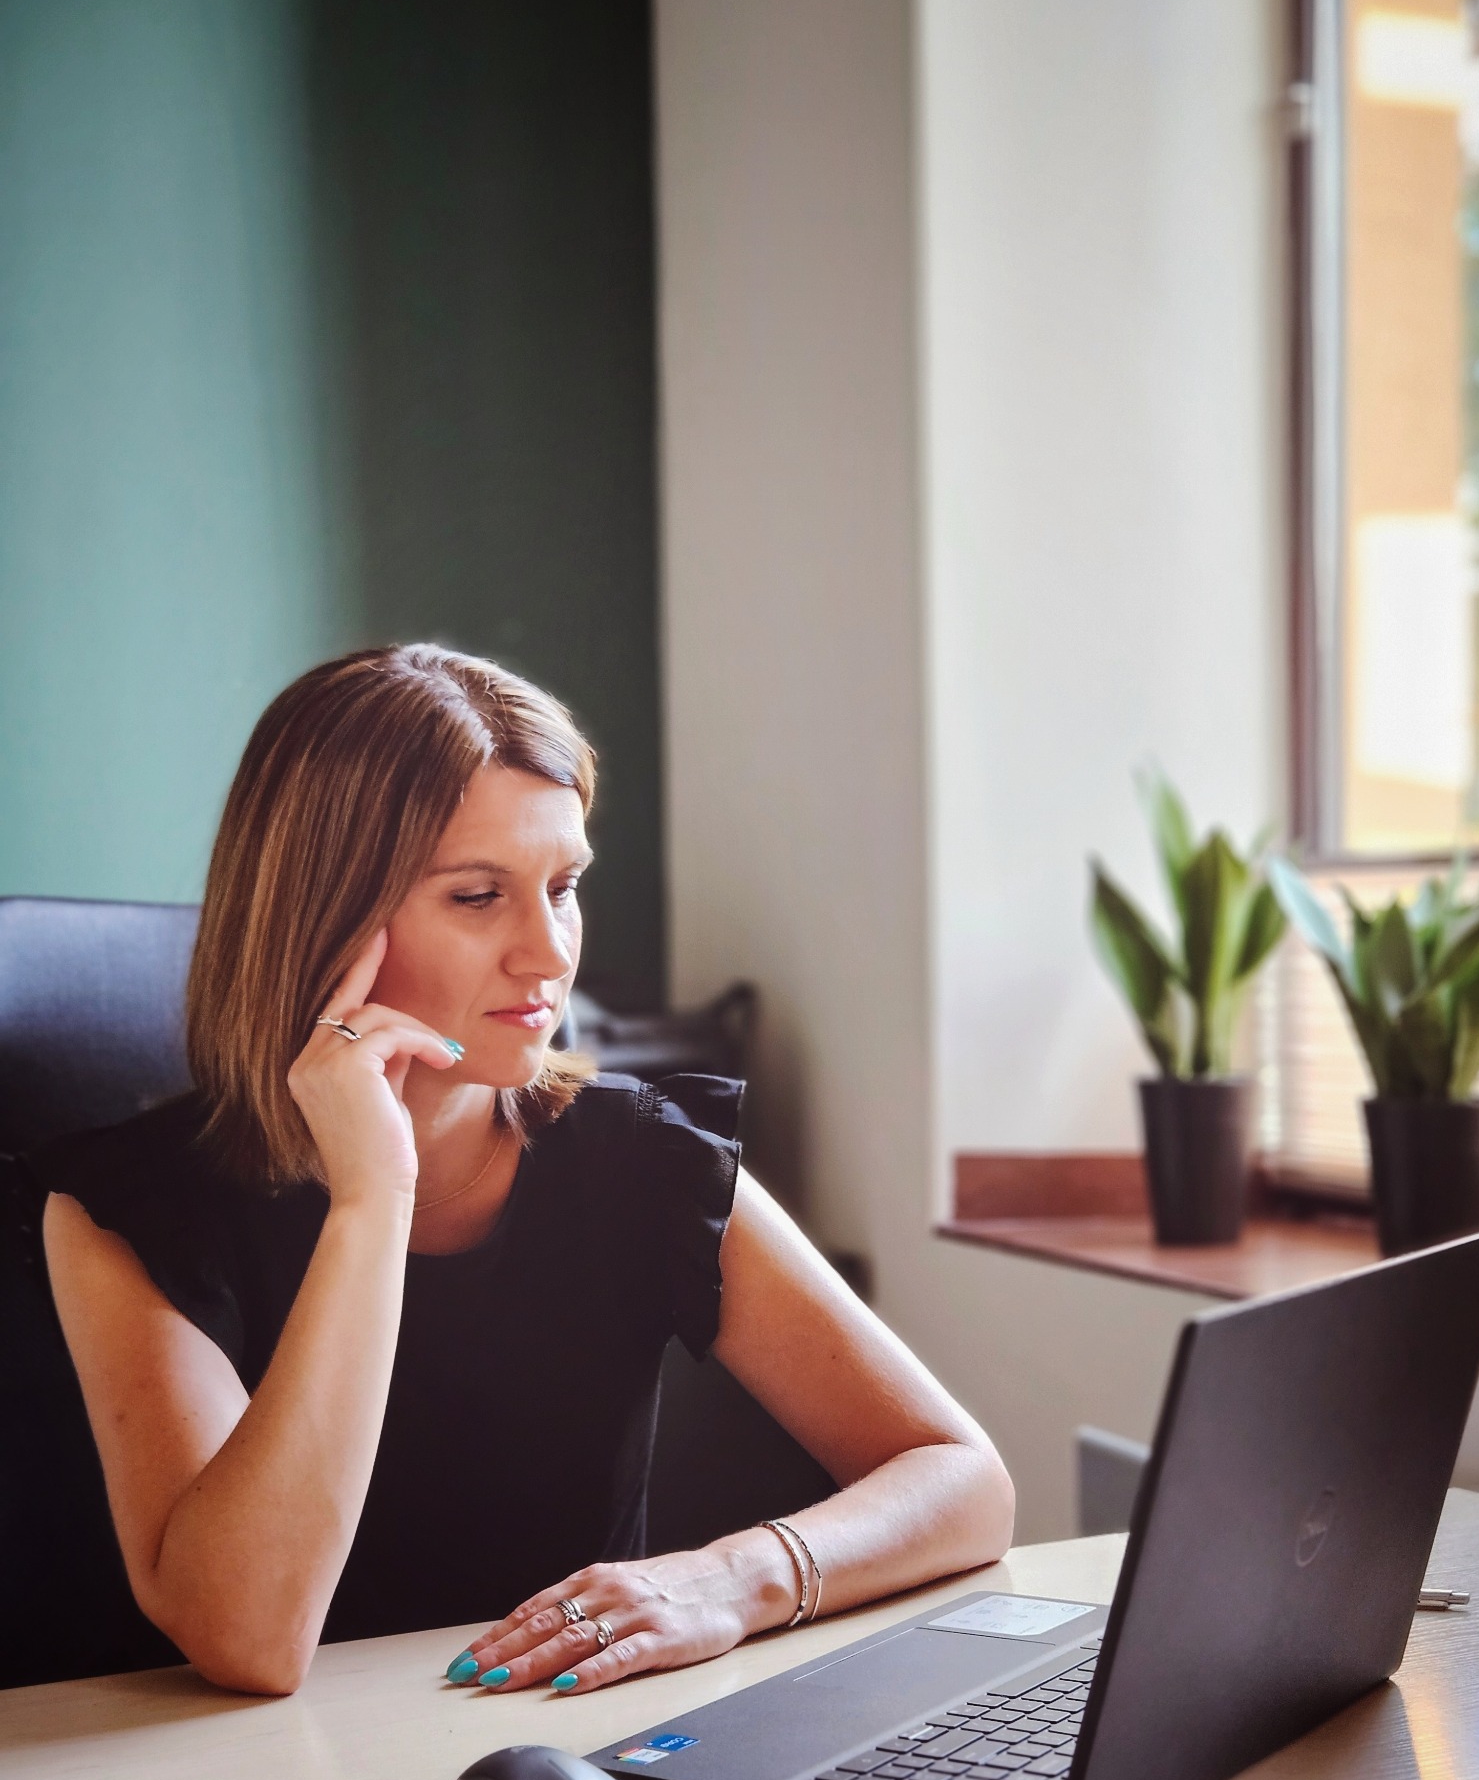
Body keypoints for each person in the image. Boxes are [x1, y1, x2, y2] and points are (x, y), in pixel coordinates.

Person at [36, 645, 1014, 1699]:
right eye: (476, 895)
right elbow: (249, 1637)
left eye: (563, 885)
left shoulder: (641, 1154)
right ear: (325, 918)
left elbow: (965, 1481)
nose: (548, 953)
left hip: (557, 1756)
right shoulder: (123, 1212)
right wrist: (372, 1200)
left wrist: (735, 1575)